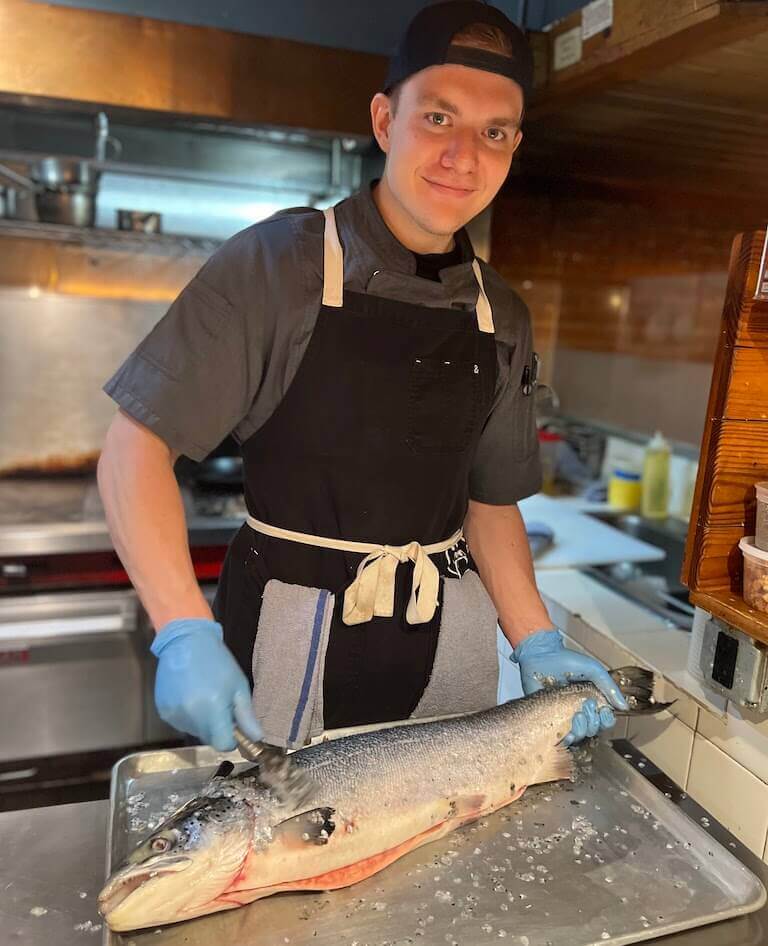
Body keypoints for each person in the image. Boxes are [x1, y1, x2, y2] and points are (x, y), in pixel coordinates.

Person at [98, 0, 628, 755]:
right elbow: (134, 449)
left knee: (436, 842)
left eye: (495, 132)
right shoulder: (278, 265)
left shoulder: (499, 313)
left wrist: (535, 639)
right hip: (289, 632)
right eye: (438, 119)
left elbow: (488, 502)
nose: (464, 156)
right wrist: (182, 627)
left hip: (445, 646)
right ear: (385, 121)